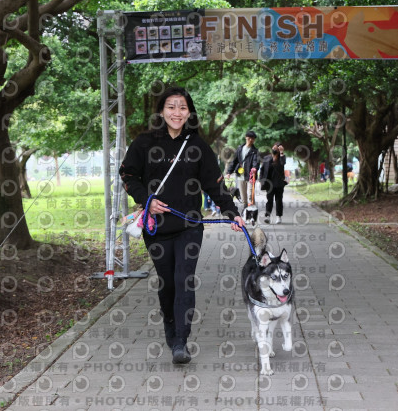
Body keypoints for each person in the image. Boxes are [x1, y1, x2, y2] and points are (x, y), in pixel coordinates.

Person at [119, 87, 245, 365]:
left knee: (183, 280)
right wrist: (146, 200)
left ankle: (181, 341)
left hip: (190, 226)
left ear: (190, 112)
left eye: (183, 107)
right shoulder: (144, 142)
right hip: (157, 229)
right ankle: (170, 325)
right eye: (171, 107)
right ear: (161, 111)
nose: (177, 112)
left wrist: (232, 213)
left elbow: (214, 184)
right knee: (167, 284)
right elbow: (127, 174)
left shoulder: (197, 145)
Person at [226, 130, 259, 210]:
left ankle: (252, 212)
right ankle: (245, 211)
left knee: (250, 196)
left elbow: (256, 161)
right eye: (249, 138)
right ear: (246, 138)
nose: (251, 140)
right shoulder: (240, 148)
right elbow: (234, 161)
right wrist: (229, 172)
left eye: (253, 138)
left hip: (250, 176)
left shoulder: (255, 151)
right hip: (240, 175)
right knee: (243, 197)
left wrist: (255, 168)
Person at [259, 142, 286, 224]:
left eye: (276, 149)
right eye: (273, 148)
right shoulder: (267, 158)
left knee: (279, 200)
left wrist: (281, 153)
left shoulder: (281, 158)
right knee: (269, 200)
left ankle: (278, 216)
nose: (274, 149)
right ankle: (267, 216)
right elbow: (262, 169)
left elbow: (282, 164)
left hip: (279, 183)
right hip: (269, 183)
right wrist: (261, 179)